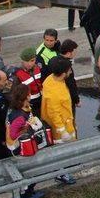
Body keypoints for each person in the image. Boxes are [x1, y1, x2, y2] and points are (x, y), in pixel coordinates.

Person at [5, 84, 45, 198]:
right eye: (29, 93)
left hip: (23, 146)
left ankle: (28, 191)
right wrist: (28, 126)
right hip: (20, 149)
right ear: (26, 96)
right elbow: (13, 134)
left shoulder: (20, 108)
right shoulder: (20, 116)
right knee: (30, 171)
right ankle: (26, 194)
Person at [41, 56, 77, 185]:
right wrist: (63, 131)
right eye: (69, 70)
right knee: (62, 154)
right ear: (63, 74)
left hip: (64, 122)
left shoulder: (50, 80)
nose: (70, 72)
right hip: (61, 129)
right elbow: (54, 113)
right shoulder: (55, 93)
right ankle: (62, 174)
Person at [48, 40, 80, 116]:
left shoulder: (52, 60)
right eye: (74, 52)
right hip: (66, 97)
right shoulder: (67, 66)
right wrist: (76, 100)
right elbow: (71, 84)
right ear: (69, 53)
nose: (76, 53)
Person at [11, 47, 43, 116]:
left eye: (32, 60)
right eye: (27, 61)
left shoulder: (37, 68)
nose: (29, 64)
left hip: (40, 100)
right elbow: (13, 93)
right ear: (22, 61)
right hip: (29, 103)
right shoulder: (17, 74)